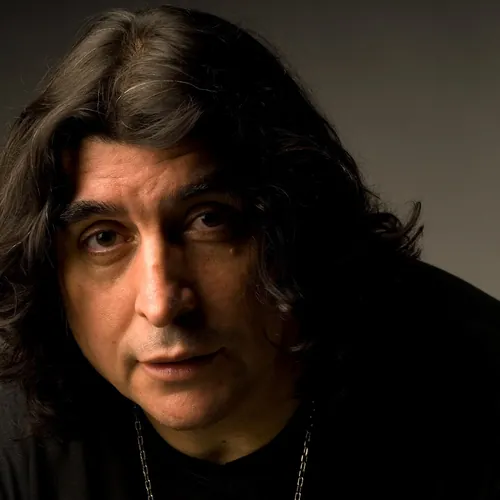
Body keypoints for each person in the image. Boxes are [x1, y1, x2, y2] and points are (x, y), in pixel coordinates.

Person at [0, 4, 499, 500]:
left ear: (296, 223)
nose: (162, 303)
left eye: (208, 221)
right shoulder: (15, 440)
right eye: (105, 238)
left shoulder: (476, 383)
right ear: (50, 269)